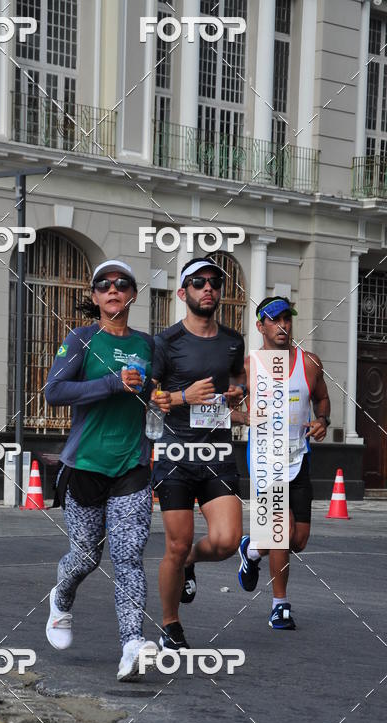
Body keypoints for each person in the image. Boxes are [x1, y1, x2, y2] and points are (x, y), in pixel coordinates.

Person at [44, 259, 170, 681]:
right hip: (85, 464)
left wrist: (169, 397)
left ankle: (132, 644)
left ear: (133, 295)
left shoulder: (149, 346)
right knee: (84, 556)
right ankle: (61, 600)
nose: (113, 290)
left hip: (132, 464)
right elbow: (54, 391)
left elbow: (161, 394)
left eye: (122, 284)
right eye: (104, 285)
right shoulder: (81, 339)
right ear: (96, 297)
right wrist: (112, 383)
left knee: (128, 556)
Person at [152, 257, 246, 650]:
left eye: (214, 282)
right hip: (174, 453)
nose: (208, 288)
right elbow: (149, 399)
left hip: (217, 452)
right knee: (174, 543)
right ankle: (171, 625)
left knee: (227, 541)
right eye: (198, 282)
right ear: (183, 292)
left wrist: (239, 394)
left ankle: (191, 561)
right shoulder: (166, 341)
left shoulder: (232, 340)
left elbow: (238, 381)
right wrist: (180, 396)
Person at [236, 296, 330, 629]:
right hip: (264, 460)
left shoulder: (309, 363)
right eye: (274, 320)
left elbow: (322, 399)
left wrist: (322, 421)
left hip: (298, 458)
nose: (283, 326)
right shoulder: (249, 367)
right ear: (260, 326)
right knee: (281, 531)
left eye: (287, 319)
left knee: (298, 540)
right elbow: (220, 402)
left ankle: (250, 551)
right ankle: (280, 604)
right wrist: (241, 415)